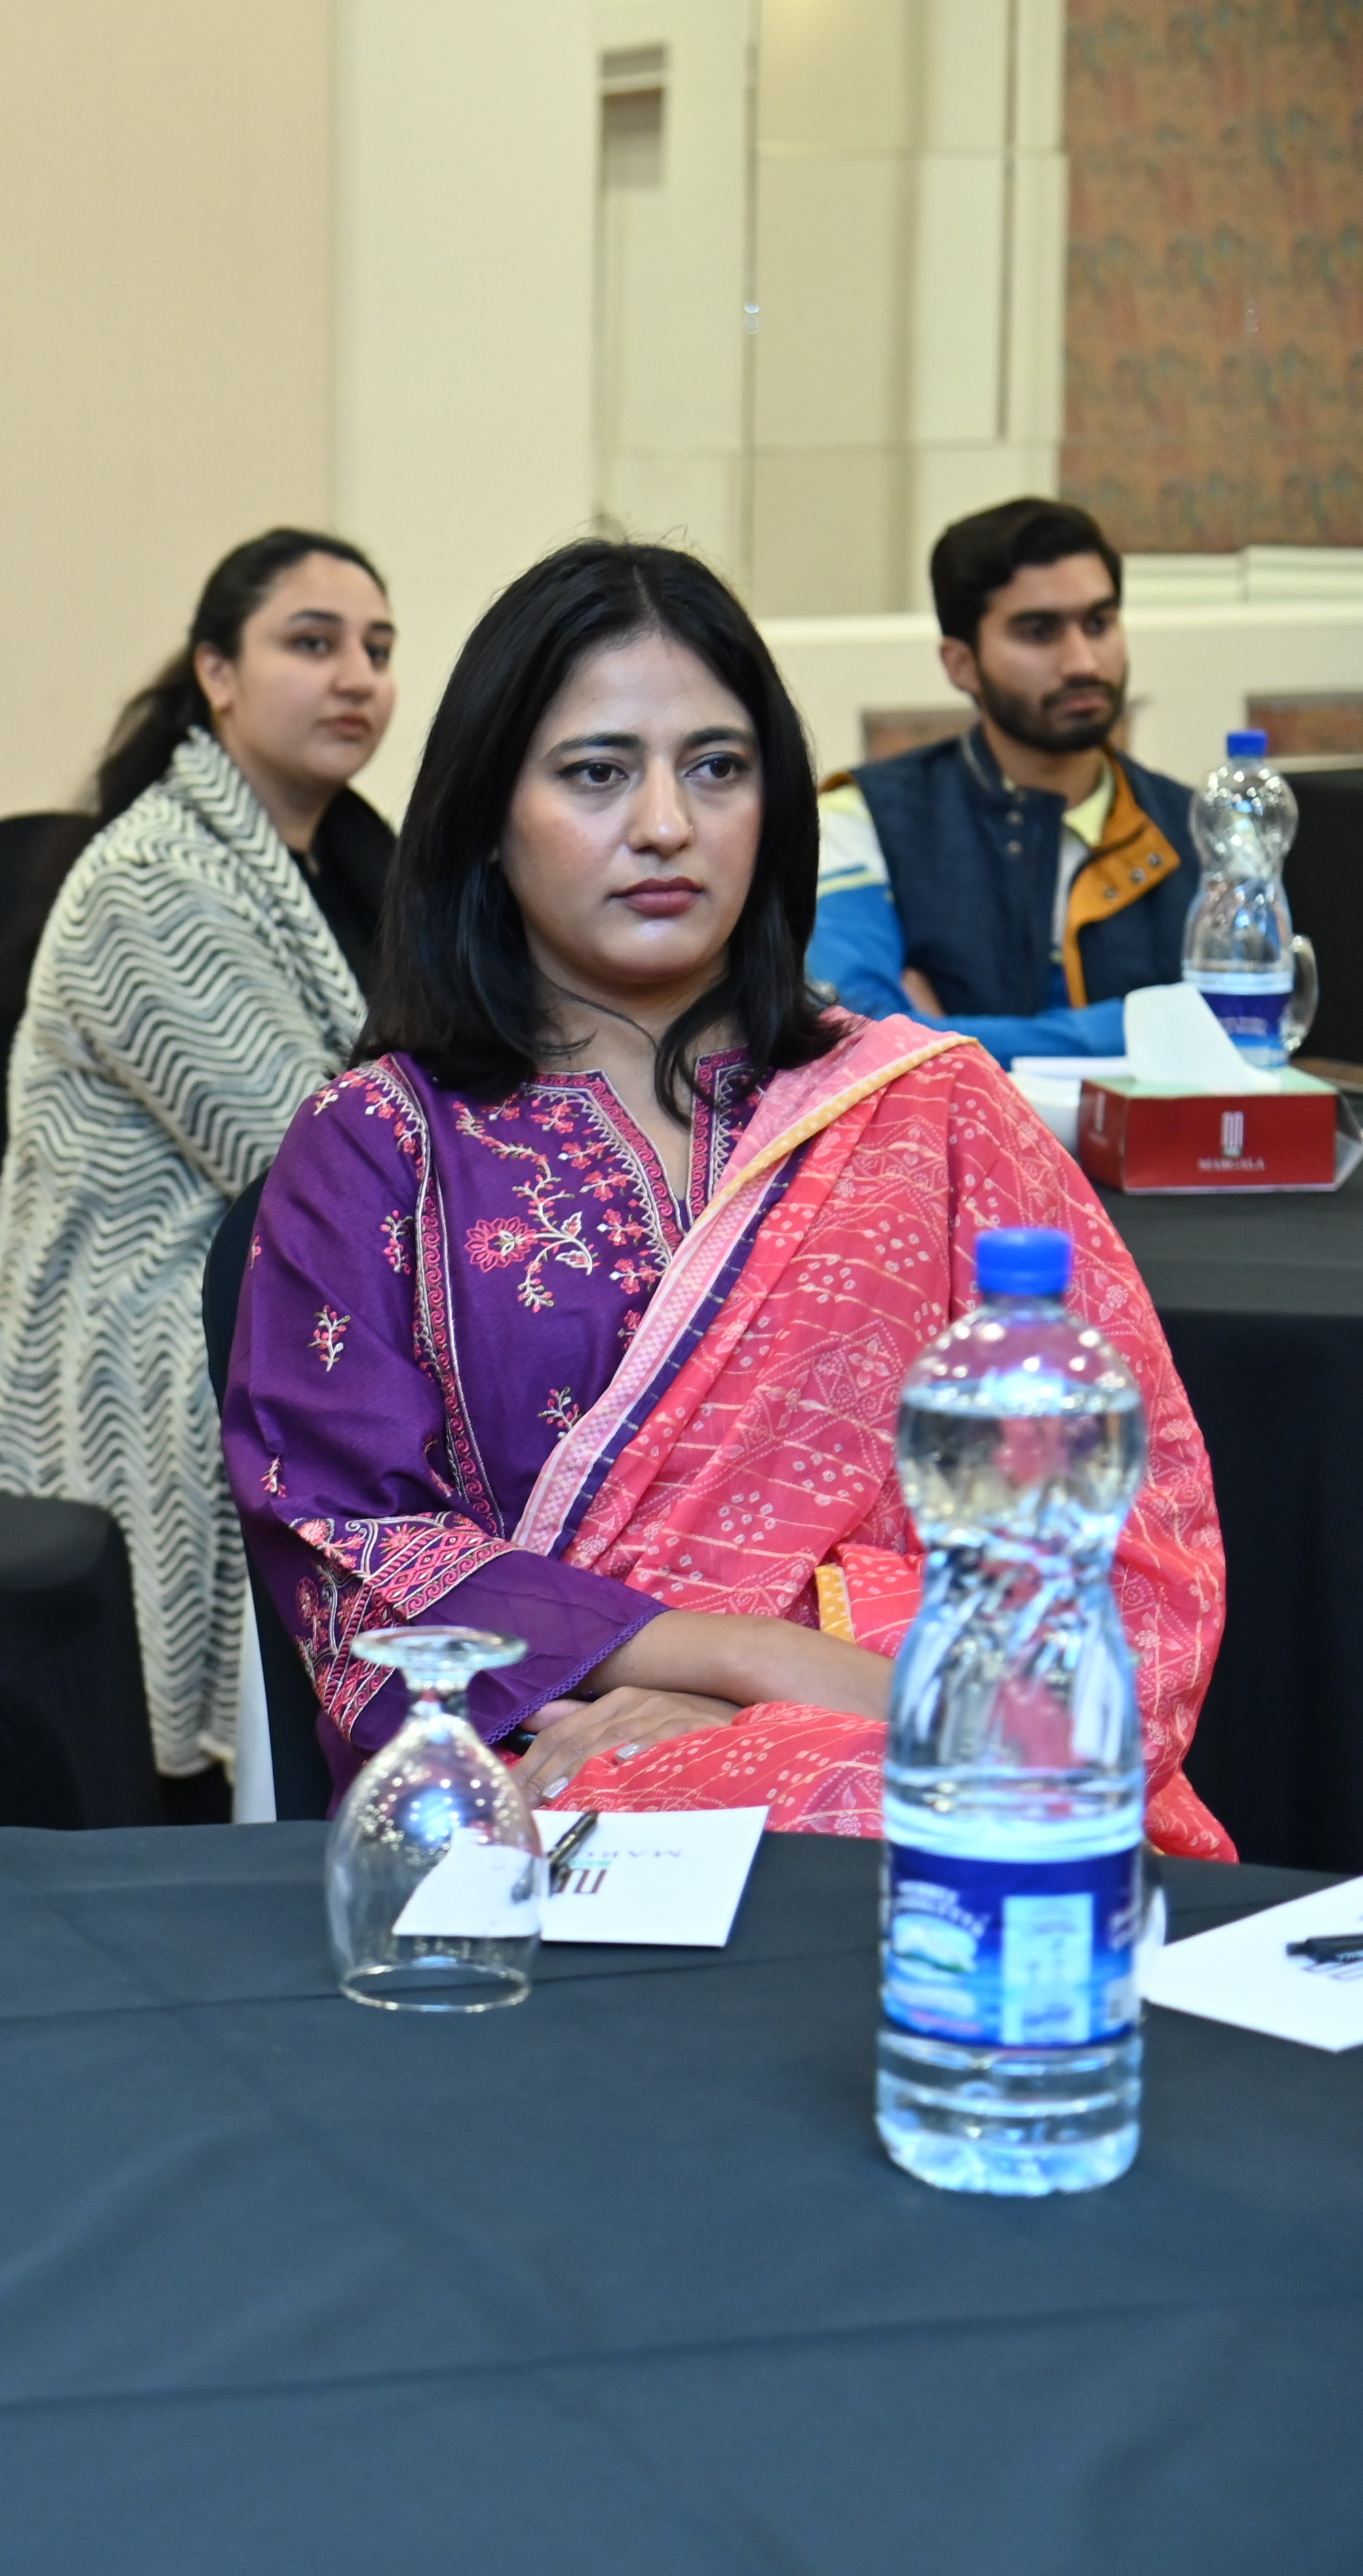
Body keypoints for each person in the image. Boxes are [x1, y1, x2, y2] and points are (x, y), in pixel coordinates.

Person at [223, 538, 1232, 1857]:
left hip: (938, 1724)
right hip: (548, 1756)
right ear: (484, 814)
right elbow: (360, 1558)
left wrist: (817, 1684)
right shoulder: (377, 1146)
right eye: (597, 772)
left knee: (952, 1805)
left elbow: (1122, 1519)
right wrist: (743, 1665)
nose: (665, 825)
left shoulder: (925, 1107)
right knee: (890, 1813)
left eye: (719, 767)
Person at [0, 527, 399, 1794]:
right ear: (215, 672)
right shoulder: (156, 881)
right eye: (309, 643)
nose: (355, 675)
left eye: (375, 648)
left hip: (255, 1267)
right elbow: (306, 1165)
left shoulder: (348, 863)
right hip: (128, 1317)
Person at [808, 498, 1196, 1061]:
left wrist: (944, 1043)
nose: (1084, 661)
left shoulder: (1201, 831)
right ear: (960, 664)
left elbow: (1248, 1026)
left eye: (1100, 623)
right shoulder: (861, 817)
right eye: (1040, 632)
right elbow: (859, 1037)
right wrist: (1151, 1025)